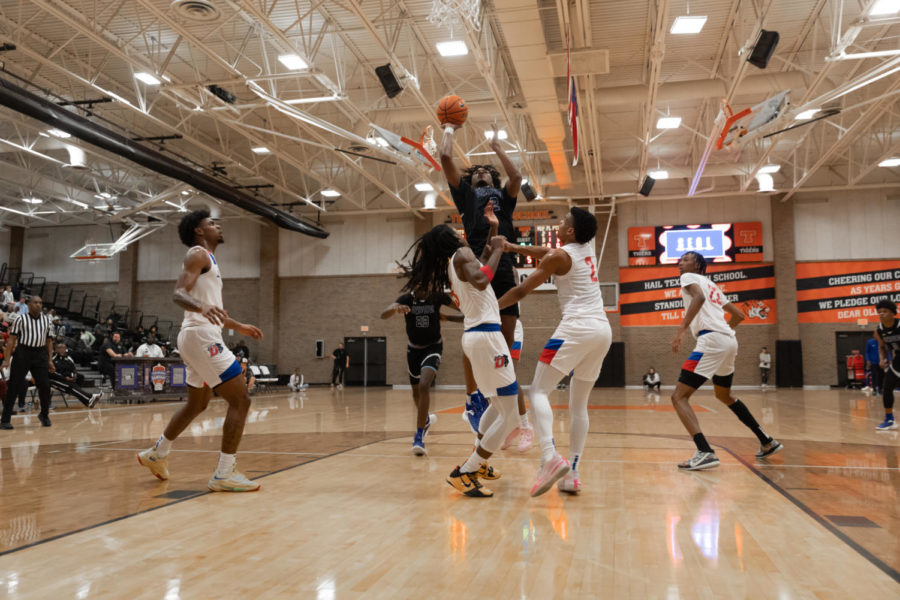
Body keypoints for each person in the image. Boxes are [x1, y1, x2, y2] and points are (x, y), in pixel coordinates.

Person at [137, 209, 264, 492]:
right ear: (198, 230)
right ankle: (223, 473)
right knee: (241, 400)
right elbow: (178, 294)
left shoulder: (210, 261)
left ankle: (157, 453)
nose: (218, 226)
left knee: (198, 404)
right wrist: (201, 307)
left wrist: (239, 325)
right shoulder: (198, 255)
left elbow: (210, 310)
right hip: (201, 338)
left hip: (196, 336)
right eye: (211, 223)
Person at [497, 207, 612, 496]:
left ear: (571, 231)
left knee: (537, 391)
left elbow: (522, 292)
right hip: (602, 331)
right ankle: (572, 473)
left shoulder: (559, 257)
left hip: (575, 329)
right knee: (578, 405)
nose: (559, 224)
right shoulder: (584, 248)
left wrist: (488, 309)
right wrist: (512, 246)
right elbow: (548, 252)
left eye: (563, 222)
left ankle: (549, 455)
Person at [407, 206, 517, 497]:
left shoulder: (453, 262)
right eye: (456, 233)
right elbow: (482, 278)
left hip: (476, 336)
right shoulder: (461, 256)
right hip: (487, 337)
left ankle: (477, 463)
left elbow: (478, 268)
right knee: (511, 416)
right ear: (451, 240)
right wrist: (500, 249)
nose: (461, 234)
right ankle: (467, 469)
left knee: (496, 404)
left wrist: (493, 233)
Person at [441, 122, 526, 433]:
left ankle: (509, 413)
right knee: (473, 338)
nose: (479, 173)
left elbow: (517, 177)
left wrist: (498, 148)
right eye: (474, 171)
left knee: (503, 347)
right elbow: (445, 158)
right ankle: (472, 397)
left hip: (503, 265)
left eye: (484, 171)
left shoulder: (505, 196)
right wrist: (449, 127)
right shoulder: (465, 195)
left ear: (493, 178)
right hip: (475, 265)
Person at [670, 251, 782, 470]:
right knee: (724, 394)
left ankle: (705, 451)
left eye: (685, 260)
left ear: (699, 265)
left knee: (679, 397)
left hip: (711, 341)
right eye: (680, 260)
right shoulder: (712, 286)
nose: (680, 263)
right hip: (729, 341)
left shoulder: (688, 279)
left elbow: (698, 298)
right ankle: (766, 441)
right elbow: (739, 315)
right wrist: (722, 335)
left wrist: (681, 329)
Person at [381, 277, 459, 455]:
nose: (427, 285)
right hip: (413, 350)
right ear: (414, 284)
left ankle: (418, 437)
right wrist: (393, 309)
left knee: (424, 385)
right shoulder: (406, 299)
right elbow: (382, 314)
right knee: (416, 391)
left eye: (429, 282)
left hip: (433, 347)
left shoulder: (438, 297)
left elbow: (466, 312)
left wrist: (449, 318)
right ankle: (425, 421)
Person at [1, 296, 55, 429]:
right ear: (29, 305)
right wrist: (7, 359)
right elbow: (12, 340)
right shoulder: (20, 318)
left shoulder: (47, 320)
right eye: (35, 302)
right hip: (23, 353)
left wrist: (50, 360)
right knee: (14, 386)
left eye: (40, 303)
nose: (38, 305)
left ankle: (44, 414)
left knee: (45, 386)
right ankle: (5, 420)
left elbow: (49, 341)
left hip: (40, 355)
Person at [874, 299, 900, 431]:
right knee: (887, 387)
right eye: (879, 312)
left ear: (893, 313)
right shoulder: (879, 330)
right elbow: (882, 347)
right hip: (898, 359)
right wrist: (882, 359)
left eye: (885, 311)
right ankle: (889, 419)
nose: (881, 314)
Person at [51, 343, 101, 408]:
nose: (62, 349)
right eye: (60, 348)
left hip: (68, 378)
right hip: (57, 379)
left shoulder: (69, 358)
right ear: (55, 350)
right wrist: (65, 378)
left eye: (63, 348)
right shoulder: (52, 359)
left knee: (80, 377)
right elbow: (53, 373)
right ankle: (90, 396)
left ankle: (88, 401)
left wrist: (75, 374)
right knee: (71, 385)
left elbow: (74, 368)